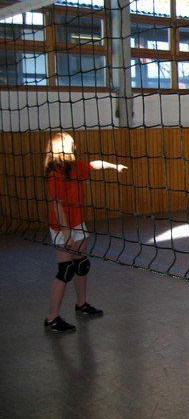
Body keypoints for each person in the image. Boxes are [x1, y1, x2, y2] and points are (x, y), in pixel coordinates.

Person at [44, 132, 127, 332]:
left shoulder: (74, 167)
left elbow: (93, 165)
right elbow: (57, 205)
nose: (75, 147)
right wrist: (66, 233)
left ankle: (81, 304)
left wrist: (114, 166)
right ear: (62, 148)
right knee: (65, 270)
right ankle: (51, 318)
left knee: (81, 265)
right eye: (72, 144)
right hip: (62, 226)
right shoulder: (55, 173)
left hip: (77, 222)